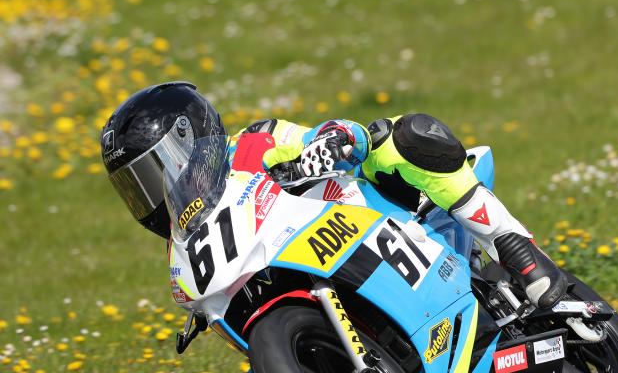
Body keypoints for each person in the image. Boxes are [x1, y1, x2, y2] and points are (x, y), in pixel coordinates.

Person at [101, 82, 566, 308]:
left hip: (379, 219)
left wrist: (330, 143)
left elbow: (335, 133)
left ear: (192, 139)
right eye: (136, 186)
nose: (153, 193)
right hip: (312, 278)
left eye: (156, 171)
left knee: (399, 136)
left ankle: (515, 248)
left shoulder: (253, 144)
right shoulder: (183, 250)